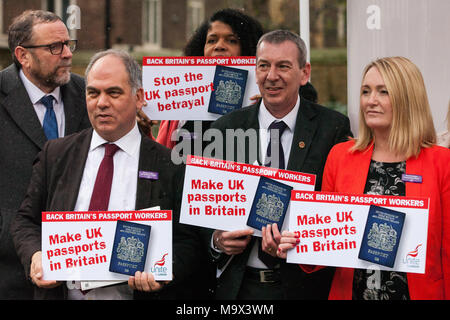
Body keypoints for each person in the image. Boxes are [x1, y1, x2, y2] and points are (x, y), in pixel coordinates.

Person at [10, 49, 189, 300]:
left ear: (139, 98)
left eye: (113, 92)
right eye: (93, 93)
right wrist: (36, 255)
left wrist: (165, 272)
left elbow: (187, 241)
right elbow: (25, 221)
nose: (101, 102)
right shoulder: (57, 154)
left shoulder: (169, 165)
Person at [279, 56, 450, 300]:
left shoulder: (442, 162)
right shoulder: (340, 157)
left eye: (383, 92)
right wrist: (298, 244)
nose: (371, 101)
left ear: (408, 98)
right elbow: (325, 238)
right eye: (365, 91)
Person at [206, 29, 352, 300]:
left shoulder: (331, 128)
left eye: (283, 66)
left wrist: (302, 238)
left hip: (303, 288)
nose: (271, 76)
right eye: (264, 66)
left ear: (304, 73)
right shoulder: (226, 129)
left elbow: (338, 209)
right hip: (238, 289)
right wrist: (216, 240)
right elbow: (200, 212)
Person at [0, 10, 90, 299]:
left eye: (68, 44)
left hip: (81, 262)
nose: (66, 54)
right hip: (9, 270)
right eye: (54, 47)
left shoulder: (86, 94)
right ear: (22, 55)